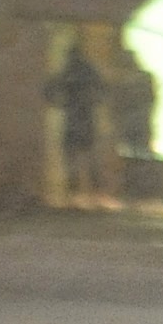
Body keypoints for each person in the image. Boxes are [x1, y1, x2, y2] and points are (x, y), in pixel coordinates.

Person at [44, 40, 109, 204]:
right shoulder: (87, 70)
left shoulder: (69, 69)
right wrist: (93, 101)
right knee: (89, 157)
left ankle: (75, 191)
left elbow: (49, 88)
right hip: (84, 117)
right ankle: (92, 191)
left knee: (72, 156)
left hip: (74, 118)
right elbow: (104, 89)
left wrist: (60, 103)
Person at [105, 49, 162, 203]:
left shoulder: (123, 81)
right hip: (140, 124)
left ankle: (137, 189)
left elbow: (117, 104)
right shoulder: (145, 78)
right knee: (141, 156)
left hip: (131, 125)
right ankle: (144, 189)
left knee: (134, 156)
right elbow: (151, 99)